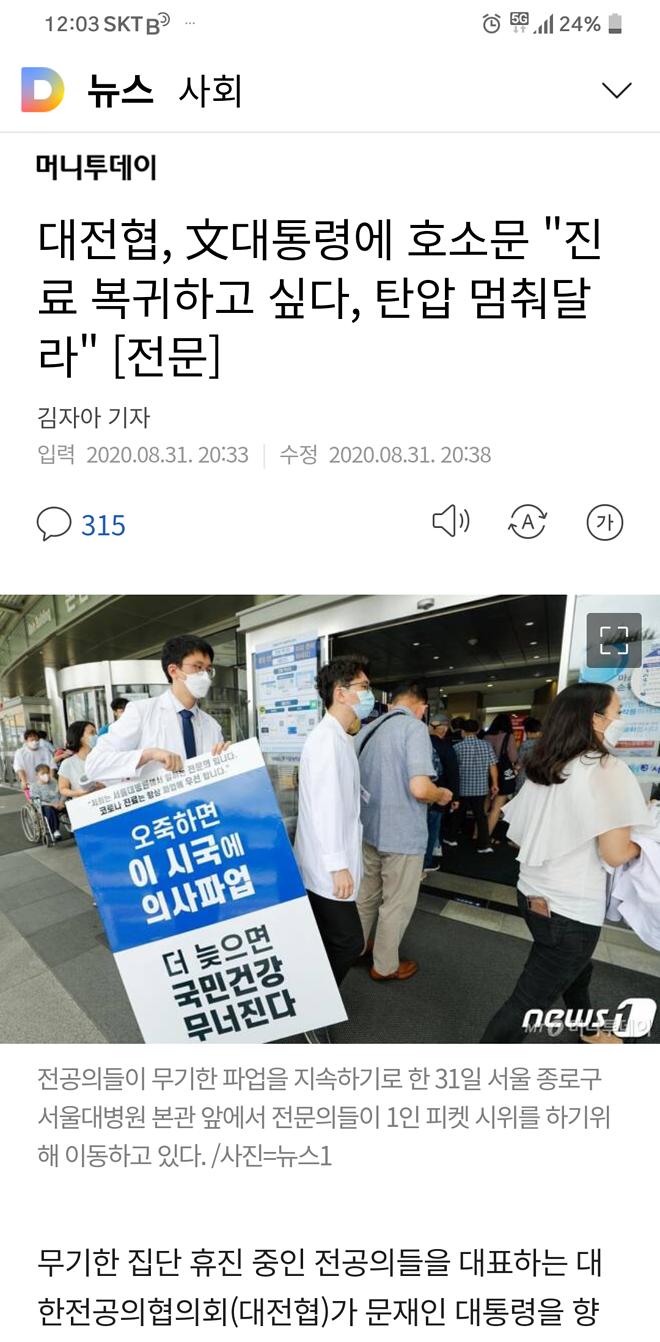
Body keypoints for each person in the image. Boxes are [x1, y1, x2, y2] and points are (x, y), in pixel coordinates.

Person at [481, 682, 650, 1044]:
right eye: (618, 712)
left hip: (531, 895)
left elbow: (518, 835)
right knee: (527, 1003)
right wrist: (643, 847)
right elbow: (615, 852)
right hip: (571, 911)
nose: (621, 719)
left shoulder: (547, 765)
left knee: (576, 969)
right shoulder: (606, 768)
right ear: (596, 719)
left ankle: (589, 1031)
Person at [356, 681, 453, 981]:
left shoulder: (366, 731)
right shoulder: (414, 728)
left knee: (366, 896)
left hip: (368, 830)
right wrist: (441, 794)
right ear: (422, 707)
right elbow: (420, 788)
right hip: (402, 835)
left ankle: (356, 948)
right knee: (396, 903)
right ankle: (385, 967)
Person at [294, 656, 369, 988]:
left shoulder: (340, 737)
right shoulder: (326, 740)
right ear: (340, 693)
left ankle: (315, 999)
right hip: (326, 867)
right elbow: (327, 808)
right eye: (364, 687)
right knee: (349, 942)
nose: (368, 694)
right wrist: (338, 866)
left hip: (328, 863)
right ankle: (319, 1000)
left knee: (329, 939)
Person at [86, 635, 227, 783]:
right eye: (197, 667)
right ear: (173, 670)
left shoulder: (212, 726)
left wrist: (226, 758)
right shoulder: (141, 712)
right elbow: (94, 765)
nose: (205, 676)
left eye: (208, 670)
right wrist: (148, 755)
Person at [443, 719, 498, 853]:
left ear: (462, 731)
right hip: (480, 788)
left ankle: (452, 838)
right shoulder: (486, 746)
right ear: (477, 731)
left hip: (461, 788)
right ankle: (484, 845)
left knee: (458, 814)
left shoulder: (457, 747)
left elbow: (452, 769)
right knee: (481, 816)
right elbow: (492, 766)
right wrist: (495, 783)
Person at [424, 713, 460, 872]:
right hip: (438, 795)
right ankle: (427, 862)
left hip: (418, 793)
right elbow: (453, 773)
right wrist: (455, 797)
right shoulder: (446, 748)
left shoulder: (419, 743)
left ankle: (415, 861)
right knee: (432, 828)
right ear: (444, 729)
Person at [483, 712, 519, 836]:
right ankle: (485, 837)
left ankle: (477, 833)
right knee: (496, 808)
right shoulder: (509, 737)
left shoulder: (486, 736)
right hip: (502, 774)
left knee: (484, 806)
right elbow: (513, 757)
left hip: (487, 773)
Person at [58, 721, 104, 801]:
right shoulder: (68, 764)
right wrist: (78, 793)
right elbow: (63, 789)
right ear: (80, 737)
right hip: (83, 805)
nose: (96, 736)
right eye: (92, 733)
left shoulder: (103, 758)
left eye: (96, 733)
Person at [13, 728, 55, 794]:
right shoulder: (20, 752)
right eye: (32, 740)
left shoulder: (45, 751)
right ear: (26, 741)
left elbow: (52, 765)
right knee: (33, 799)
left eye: (36, 739)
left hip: (45, 783)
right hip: (29, 784)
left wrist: (51, 778)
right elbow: (19, 767)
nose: (34, 741)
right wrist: (23, 781)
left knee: (47, 798)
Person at [32, 762, 67, 840]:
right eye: (43, 773)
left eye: (47, 773)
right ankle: (55, 830)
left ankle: (74, 825)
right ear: (37, 775)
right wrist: (52, 805)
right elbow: (36, 801)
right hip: (46, 806)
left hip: (59, 803)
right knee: (49, 809)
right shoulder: (34, 786)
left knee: (69, 804)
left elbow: (62, 791)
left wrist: (61, 802)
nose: (46, 775)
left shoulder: (54, 781)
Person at [514, 716, 543, 793]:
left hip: (525, 777)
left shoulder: (525, 745)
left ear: (529, 732)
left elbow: (520, 762)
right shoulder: (547, 744)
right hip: (540, 778)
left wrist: (515, 768)